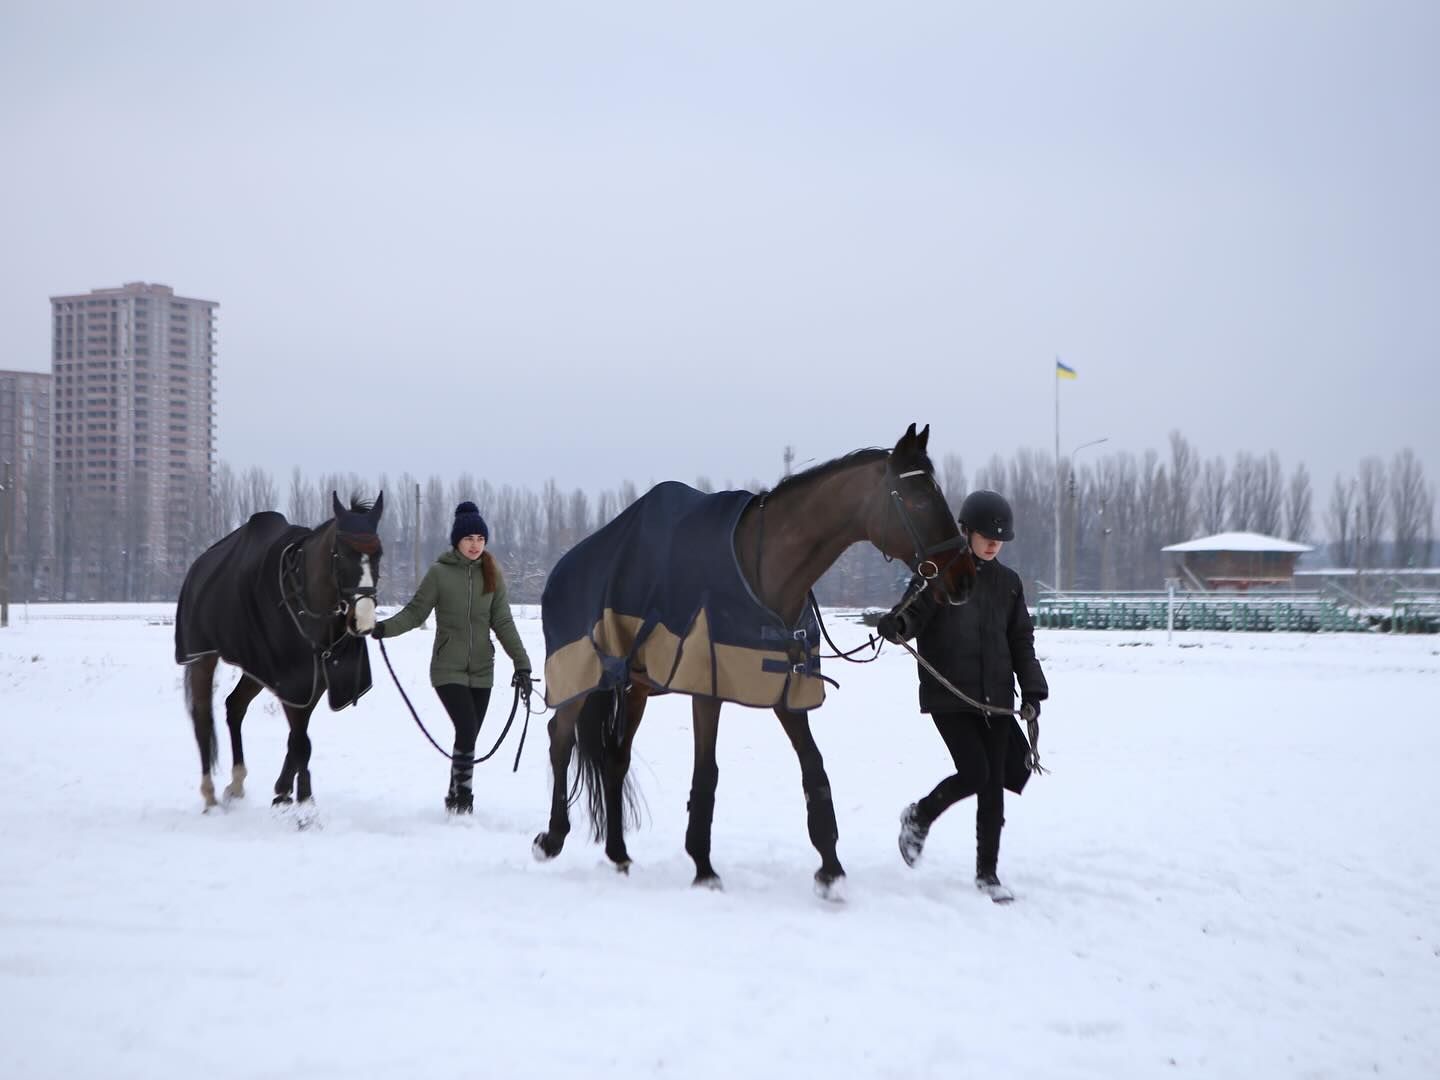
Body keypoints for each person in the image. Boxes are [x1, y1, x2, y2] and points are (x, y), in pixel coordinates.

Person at [876, 489, 1048, 902]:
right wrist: (897, 624)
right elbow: (912, 614)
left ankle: (987, 874)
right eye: (987, 535)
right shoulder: (939, 574)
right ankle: (919, 816)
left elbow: (1020, 639)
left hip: (995, 700)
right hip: (949, 695)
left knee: (992, 787)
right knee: (976, 773)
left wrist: (1032, 688)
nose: (994, 543)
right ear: (966, 532)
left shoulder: (1008, 584)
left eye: (1000, 537)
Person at [372, 501, 532, 813]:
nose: (475, 545)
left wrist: (522, 663)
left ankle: (452, 794)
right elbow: (415, 613)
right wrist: (382, 629)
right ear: (457, 541)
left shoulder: (492, 574)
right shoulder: (439, 574)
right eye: (469, 539)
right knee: (468, 729)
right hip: (448, 669)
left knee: (466, 736)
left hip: (483, 670)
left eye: (480, 539)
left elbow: (503, 623)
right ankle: (464, 802)